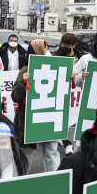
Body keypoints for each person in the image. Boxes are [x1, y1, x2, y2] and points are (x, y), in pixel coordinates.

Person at [12, 39, 61, 173]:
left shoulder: (56, 68)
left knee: (50, 152)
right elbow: (16, 97)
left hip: (48, 116)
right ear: (38, 51)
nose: (48, 52)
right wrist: (23, 82)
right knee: (25, 154)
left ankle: (54, 181)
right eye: (45, 49)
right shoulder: (25, 70)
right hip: (28, 119)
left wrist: (70, 78)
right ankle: (20, 183)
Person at [54, 33, 84, 155]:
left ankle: (78, 142)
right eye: (63, 44)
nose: (65, 47)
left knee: (77, 117)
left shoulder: (81, 57)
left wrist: (78, 76)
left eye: (68, 45)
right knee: (64, 116)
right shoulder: (56, 56)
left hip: (78, 92)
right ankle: (67, 142)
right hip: (63, 91)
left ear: (74, 45)